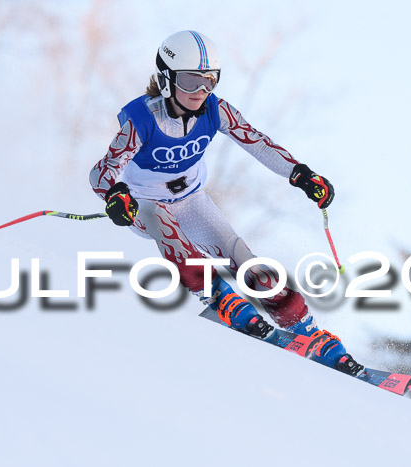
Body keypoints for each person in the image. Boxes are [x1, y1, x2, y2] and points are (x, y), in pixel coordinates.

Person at [89, 30, 363, 376]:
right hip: (145, 206)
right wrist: (114, 195)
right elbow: (102, 171)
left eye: (209, 82)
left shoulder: (214, 111)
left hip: (191, 201)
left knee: (248, 264)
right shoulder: (142, 121)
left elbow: (259, 144)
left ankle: (305, 329)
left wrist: (300, 174)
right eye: (190, 82)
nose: (200, 92)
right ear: (166, 79)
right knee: (161, 219)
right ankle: (218, 297)